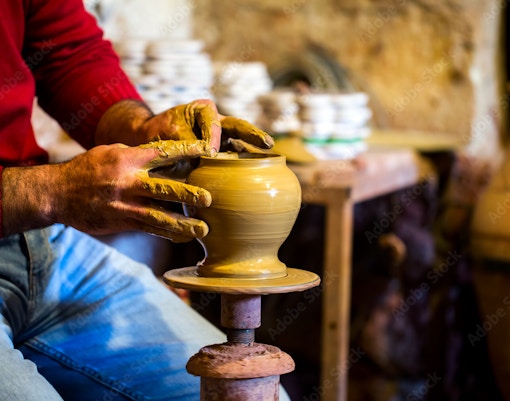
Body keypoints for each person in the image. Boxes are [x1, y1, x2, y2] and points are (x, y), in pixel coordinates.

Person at [0, 1, 290, 400]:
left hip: (39, 244)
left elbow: (68, 55)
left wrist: (143, 127)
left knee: (251, 392)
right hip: (27, 212)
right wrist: (49, 192)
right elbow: (45, 193)